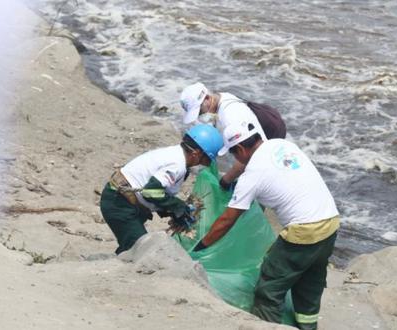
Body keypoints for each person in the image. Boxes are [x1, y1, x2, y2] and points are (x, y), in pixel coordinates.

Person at [193, 121, 339, 330]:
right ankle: (308, 327)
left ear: (241, 149)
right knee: (310, 284)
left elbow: (227, 219)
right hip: (331, 222)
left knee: (269, 288)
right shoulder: (282, 145)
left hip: (304, 232)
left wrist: (201, 247)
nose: (235, 159)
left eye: (234, 154)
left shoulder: (253, 174)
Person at [99, 124, 223, 254]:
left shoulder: (176, 154)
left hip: (126, 201)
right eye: (206, 160)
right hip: (119, 203)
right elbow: (151, 192)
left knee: (132, 244)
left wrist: (172, 212)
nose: (204, 164)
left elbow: (157, 192)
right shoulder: (177, 164)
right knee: (140, 250)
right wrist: (177, 206)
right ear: (196, 153)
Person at [180, 82, 286, 190]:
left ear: (207, 98)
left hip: (269, 144)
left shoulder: (231, 116)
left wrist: (226, 180)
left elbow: (250, 153)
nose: (199, 116)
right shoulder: (221, 97)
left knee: (260, 187)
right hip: (261, 137)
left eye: (199, 111)